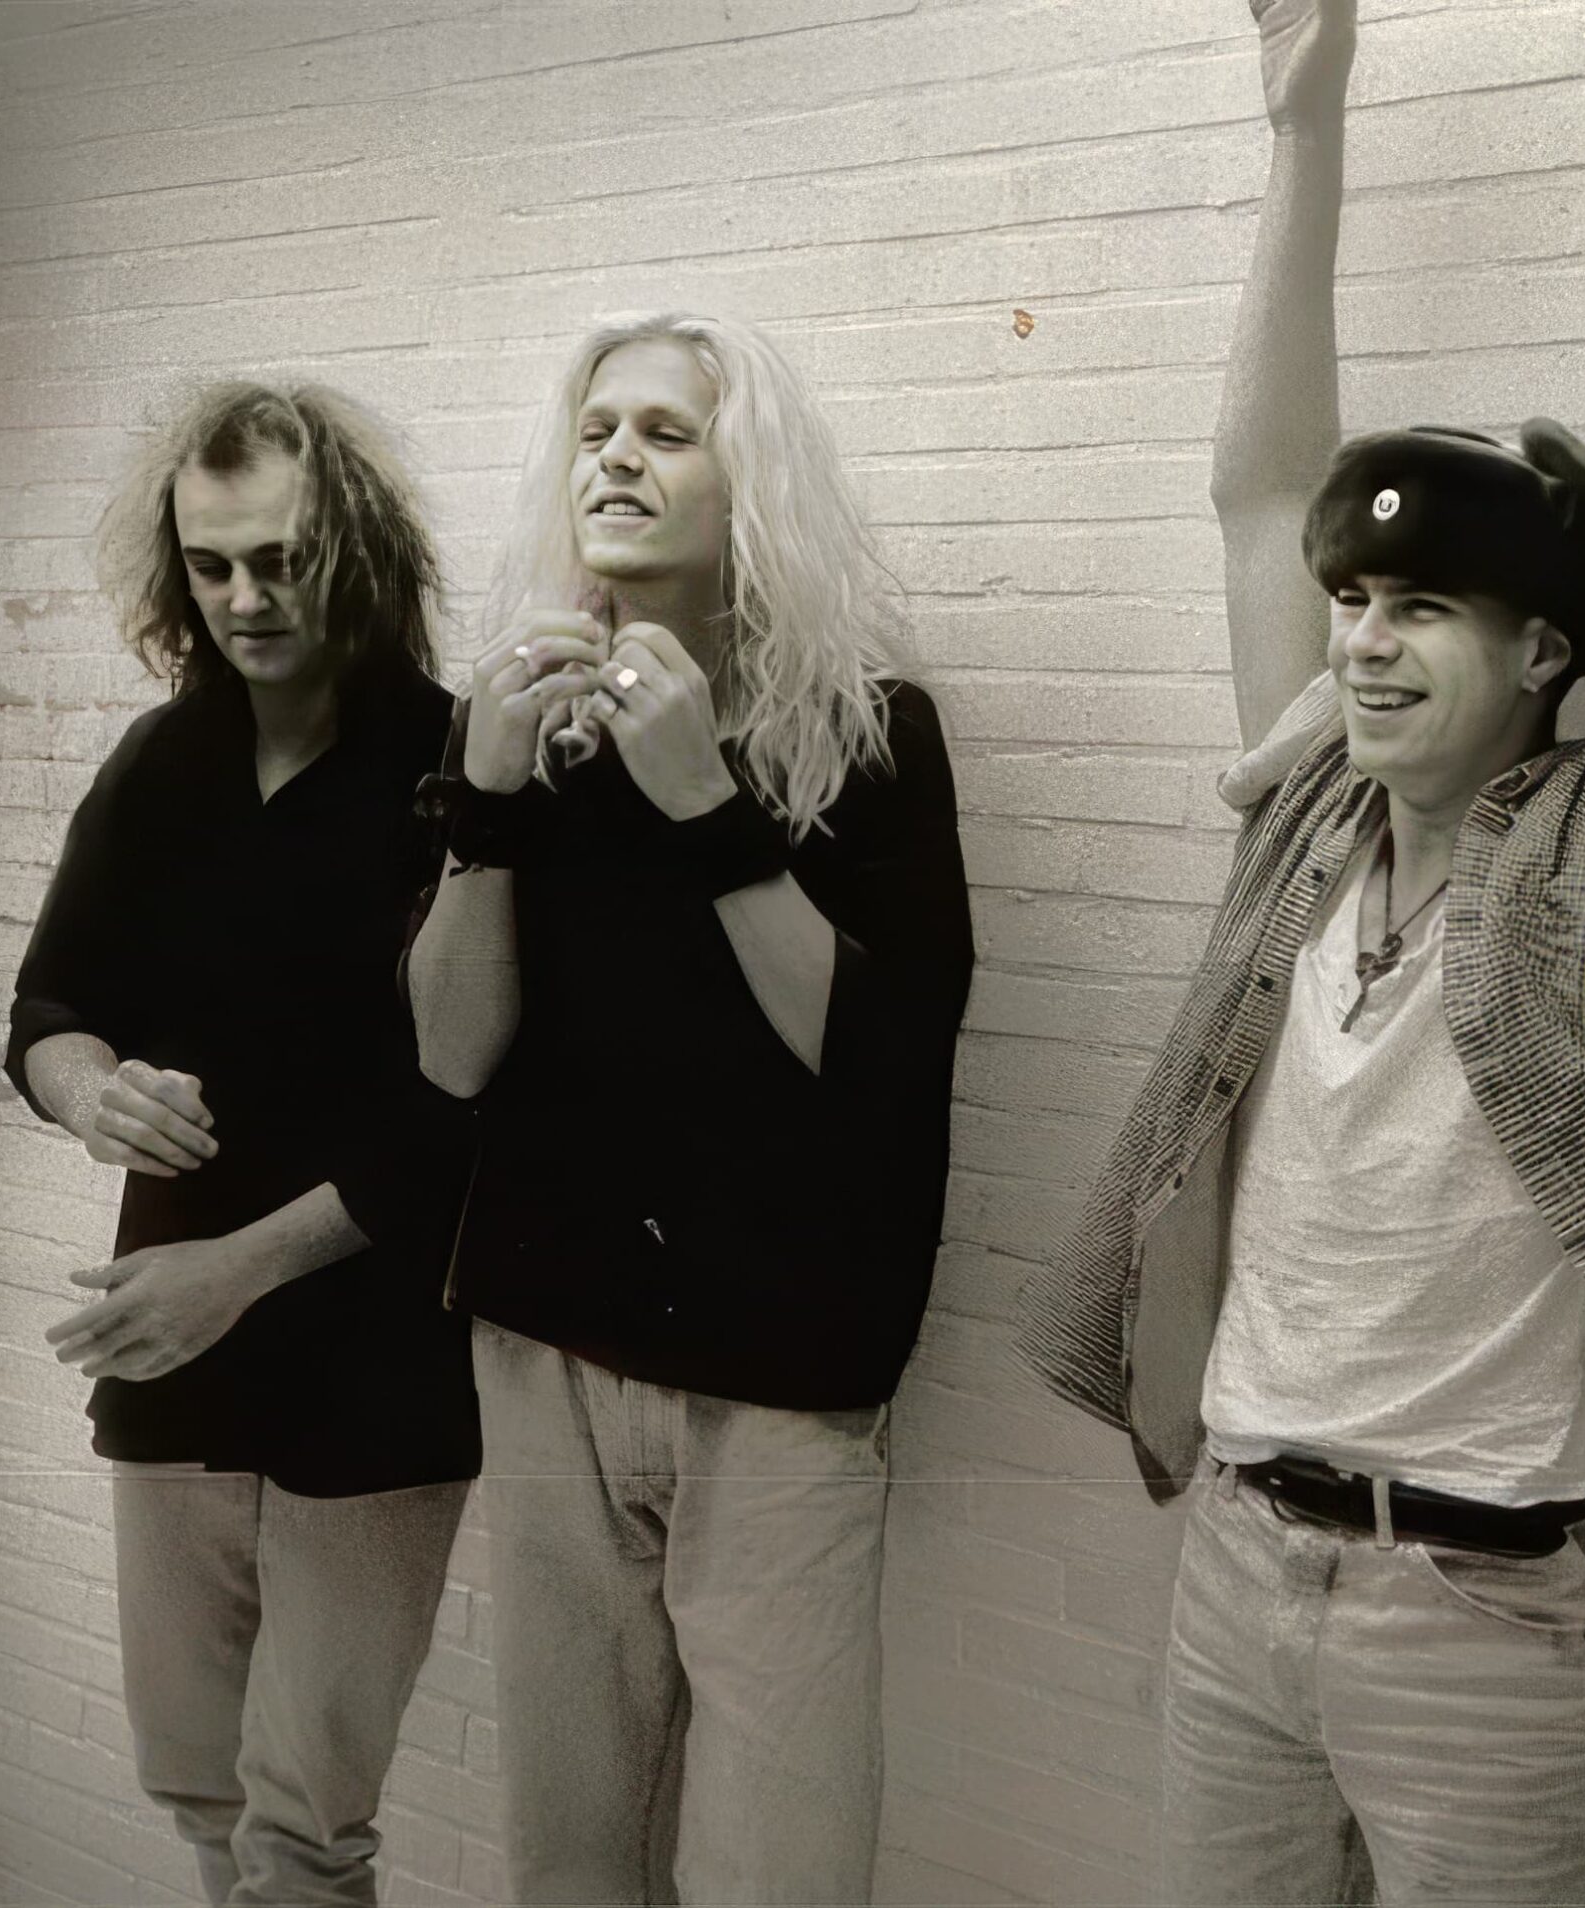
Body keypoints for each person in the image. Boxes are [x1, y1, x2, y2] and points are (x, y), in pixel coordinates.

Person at [1015, 1, 1585, 1898]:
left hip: (1488, 1619)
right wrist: (1302, 122)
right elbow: (1257, 488)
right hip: (1237, 1563)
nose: (1367, 641)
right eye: (1360, 602)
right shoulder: (1304, 809)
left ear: (1548, 651)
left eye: (1428, 610)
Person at [405, 312, 974, 1905]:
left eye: (665, 432)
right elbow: (451, 1053)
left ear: (753, 480)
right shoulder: (513, 719)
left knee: (778, 1868)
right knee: (569, 1857)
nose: (617, 460)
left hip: (776, 1376)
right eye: (596, 432)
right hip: (546, 1343)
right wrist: (486, 805)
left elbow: (873, 1059)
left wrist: (710, 809)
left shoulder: (868, 733)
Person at [7, 383, 478, 1907]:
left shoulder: (455, 768)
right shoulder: (163, 762)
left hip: (378, 1349)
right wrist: (91, 1091)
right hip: (170, 1329)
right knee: (198, 1785)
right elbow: (47, 1011)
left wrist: (239, 1270)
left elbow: (469, 1111)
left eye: (282, 559)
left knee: (307, 1828)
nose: (245, 599)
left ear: (359, 550)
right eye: (211, 566)